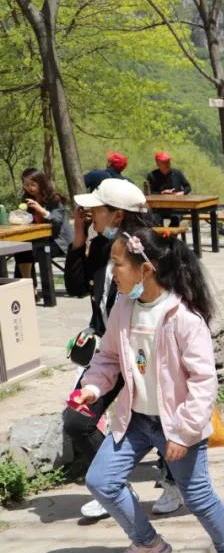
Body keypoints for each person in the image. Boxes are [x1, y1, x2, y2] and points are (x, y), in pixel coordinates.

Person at [72, 224, 224, 553]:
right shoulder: (123, 307)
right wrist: (92, 386)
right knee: (101, 481)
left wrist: (184, 433)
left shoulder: (183, 317)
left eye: (118, 264)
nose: (112, 273)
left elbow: (203, 383)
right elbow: (108, 357)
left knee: (197, 496)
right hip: (136, 419)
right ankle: (148, 543)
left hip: (177, 424)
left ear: (146, 269)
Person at [64, 179, 183, 519]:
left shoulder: (149, 250)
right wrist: (78, 236)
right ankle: (116, 485)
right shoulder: (104, 247)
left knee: (160, 417)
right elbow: (75, 286)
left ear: (117, 215)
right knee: (77, 419)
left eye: (96, 209)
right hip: (109, 353)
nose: (90, 214)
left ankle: (173, 480)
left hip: (146, 351)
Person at [18, 167, 74, 284]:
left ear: (41, 183)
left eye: (33, 184)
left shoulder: (54, 199)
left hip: (58, 242)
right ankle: (27, 287)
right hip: (40, 240)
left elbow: (57, 221)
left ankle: (32, 287)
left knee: (27, 253)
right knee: (21, 251)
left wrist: (40, 209)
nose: (29, 188)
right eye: (26, 185)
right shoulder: (27, 200)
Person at [145, 151, 191, 228]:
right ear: (158, 163)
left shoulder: (177, 173)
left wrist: (182, 193)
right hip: (160, 207)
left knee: (175, 218)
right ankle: (160, 235)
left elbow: (188, 187)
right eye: (164, 162)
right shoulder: (152, 175)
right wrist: (161, 193)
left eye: (168, 161)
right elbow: (149, 193)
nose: (167, 164)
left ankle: (169, 235)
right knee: (154, 219)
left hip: (177, 206)